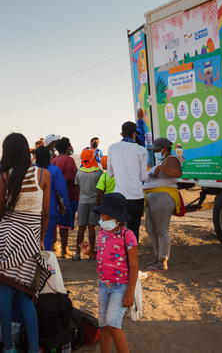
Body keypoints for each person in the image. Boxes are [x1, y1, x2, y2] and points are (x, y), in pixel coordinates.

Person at [0, 133, 50, 353]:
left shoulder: (3, 176)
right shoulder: (43, 175)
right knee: (25, 294)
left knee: (6, 291)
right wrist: (39, 239)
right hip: (30, 239)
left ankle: (9, 348)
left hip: (7, 237)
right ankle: (32, 348)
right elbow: (45, 213)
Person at [93, 193, 138, 353]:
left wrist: (130, 293)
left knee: (112, 322)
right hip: (103, 285)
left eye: (107, 214)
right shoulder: (101, 233)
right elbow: (99, 254)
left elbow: (134, 265)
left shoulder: (128, 235)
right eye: (102, 214)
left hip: (121, 287)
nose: (103, 217)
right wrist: (89, 253)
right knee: (103, 324)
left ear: (118, 217)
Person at [143, 138, 183, 271]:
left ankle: (162, 260)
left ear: (164, 150)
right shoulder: (163, 161)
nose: (154, 152)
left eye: (156, 150)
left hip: (162, 197)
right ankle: (157, 257)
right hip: (153, 198)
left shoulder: (171, 159)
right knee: (150, 228)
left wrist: (160, 167)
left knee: (161, 229)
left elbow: (177, 173)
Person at [107, 121, 148, 241]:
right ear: (134, 134)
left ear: (122, 133)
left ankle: (120, 256)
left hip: (119, 196)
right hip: (136, 197)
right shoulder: (141, 150)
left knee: (118, 229)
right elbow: (143, 177)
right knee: (133, 229)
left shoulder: (112, 148)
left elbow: (110, 173)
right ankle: (132, 256)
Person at [35, 146, 70, 252]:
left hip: (32, 210)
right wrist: (66, 206)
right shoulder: (54, 171)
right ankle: (45, 263)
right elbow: (61, 191)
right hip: (49, 210)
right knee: (46, 237)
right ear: (49, 157)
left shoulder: (32, 170)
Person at [52, 137, 79, 258]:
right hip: (68, 196)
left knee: (56, 223)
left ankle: (56, 247)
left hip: (55, 196)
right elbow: (71, 179)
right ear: (68, 147)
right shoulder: (69, 160)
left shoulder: (54, 160)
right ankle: (64, 249)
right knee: (64, 225)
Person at [74, 149, 102, 260]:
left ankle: (77, 253)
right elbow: (101, 189)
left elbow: (77, 189)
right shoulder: (99, 172)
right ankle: (91, 253)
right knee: (91, 228)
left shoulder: (79, 172)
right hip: (94, 202)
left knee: (81, 228)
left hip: (82, 202)